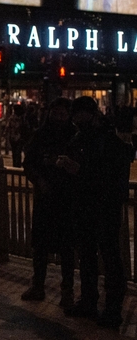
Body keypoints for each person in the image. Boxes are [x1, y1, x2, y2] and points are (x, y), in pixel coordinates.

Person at [61, 96, 132, 329]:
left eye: (79, 114)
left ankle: (112, 310)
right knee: (88, 257)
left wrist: (80, 170)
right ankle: (89, 302)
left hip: (103, 208)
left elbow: (109, 177)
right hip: (84, 208)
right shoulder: (80, 138)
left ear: (91, 114)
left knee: (110, 258)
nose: (76, 119)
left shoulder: (108, 141)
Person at [20, 97, 76, 308]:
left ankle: (67, 290)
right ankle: (38, 285)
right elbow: (29, 163)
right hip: (45, 199)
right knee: (41, 246)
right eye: (56, 113)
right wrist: (39, 180)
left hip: (67, 200)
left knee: (67, 248)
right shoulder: (41, 135)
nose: (59, 117)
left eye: (63, 114)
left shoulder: (74, 136)